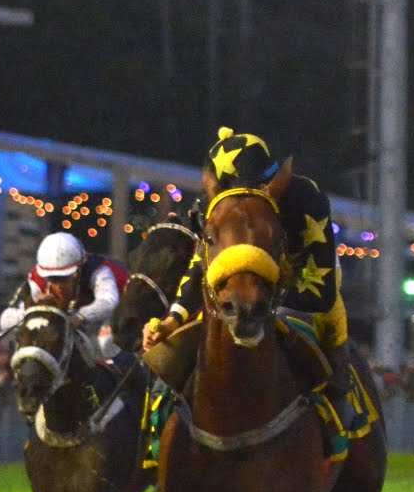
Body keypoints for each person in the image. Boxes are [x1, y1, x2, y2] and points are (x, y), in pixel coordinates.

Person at [142, 127, 355, 424]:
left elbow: (320, 285)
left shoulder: (306, 196)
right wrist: (173, 318)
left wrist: (271, 295)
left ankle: (340, 388)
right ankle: (159, 409)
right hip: (234, 284)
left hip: (299, 272)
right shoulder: (207, 207)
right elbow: (200, 262)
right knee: (180, 338)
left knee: (331, 312)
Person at [0, 232, 129, 366]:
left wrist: (81, 316)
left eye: (65, 278)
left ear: (79, 270)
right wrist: (34, 312)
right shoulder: (36, 281)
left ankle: (132, 380)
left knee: (106, 343)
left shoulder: (99, 271)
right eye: (53, 279)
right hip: (74, 321)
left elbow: (109, 301)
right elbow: (5, 318)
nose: (59, 285)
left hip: (116, 313)